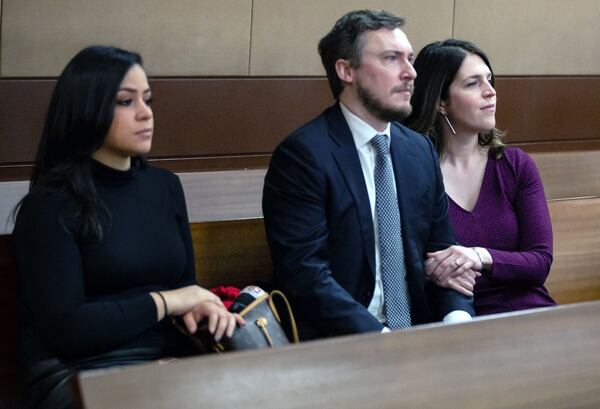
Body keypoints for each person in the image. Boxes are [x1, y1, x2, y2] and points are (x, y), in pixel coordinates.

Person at [12, 46, 244, 408]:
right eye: (125, 102)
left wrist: (200, 309)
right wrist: (167, 302)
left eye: (148, 100)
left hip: (168, 358)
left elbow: (184, 288)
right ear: (87, 109)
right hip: (77, 372)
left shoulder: (164, 186)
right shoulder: (49, 206)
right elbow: (68, 329)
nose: (145, 114)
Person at [262, 10, 474, 340]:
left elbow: (443, 257)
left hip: (423, 336)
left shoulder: (418, 150)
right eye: (392, 59)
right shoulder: (303, 156)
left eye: (410, 59)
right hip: (344, 341)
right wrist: (384, 340)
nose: (411, 73)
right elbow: (305, 276)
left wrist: (456, 320)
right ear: (346, 70)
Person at [404, 39, 556, 315]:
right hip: (456, 321)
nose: (491, 92)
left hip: (531, 312)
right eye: (473, 83)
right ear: (440, 101)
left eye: (489, 80)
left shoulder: (515, 165)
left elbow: (540, 262)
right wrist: (430, 272)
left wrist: (478, 256)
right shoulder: (412, 173)